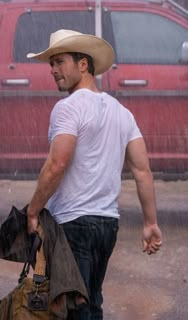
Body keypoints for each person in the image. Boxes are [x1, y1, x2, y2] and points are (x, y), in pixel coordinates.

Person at [26, 29, 162, 319]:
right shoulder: (122, 113)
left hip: (74, 224)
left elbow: (56, 164)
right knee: (92, 302)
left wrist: (33, 210)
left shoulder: (68, 108)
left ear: (83, 64)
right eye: (51, 64)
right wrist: (150, 222)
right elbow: (142, 171)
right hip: (106, 226)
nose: (53, 70)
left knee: (75, 309)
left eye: (59, 61)